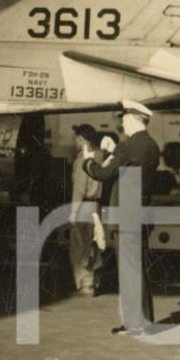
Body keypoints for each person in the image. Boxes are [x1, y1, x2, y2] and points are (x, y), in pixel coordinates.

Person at [84, 99, 160, 336]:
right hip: (142, 213)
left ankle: (134, 324)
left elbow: (102, 173)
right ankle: (144, 320)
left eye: (124, 120)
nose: (123, 124)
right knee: (138, 268)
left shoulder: (128, 147)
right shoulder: (152, 145)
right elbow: (128, 167)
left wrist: (89, 159)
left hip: (125, 216)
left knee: (128, 270)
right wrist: (114, 148)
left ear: (132, 119)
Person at [69, 123, 103, 297]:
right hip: (96, 205)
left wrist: (73, 212)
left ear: (82, 140)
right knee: (93, 243)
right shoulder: (99, 155)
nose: (74, 141)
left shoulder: (83, 159)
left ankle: (86, 285)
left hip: (83, 206)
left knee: (79, 246)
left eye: (76, 138)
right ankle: (94, 282)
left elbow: (79, 189)